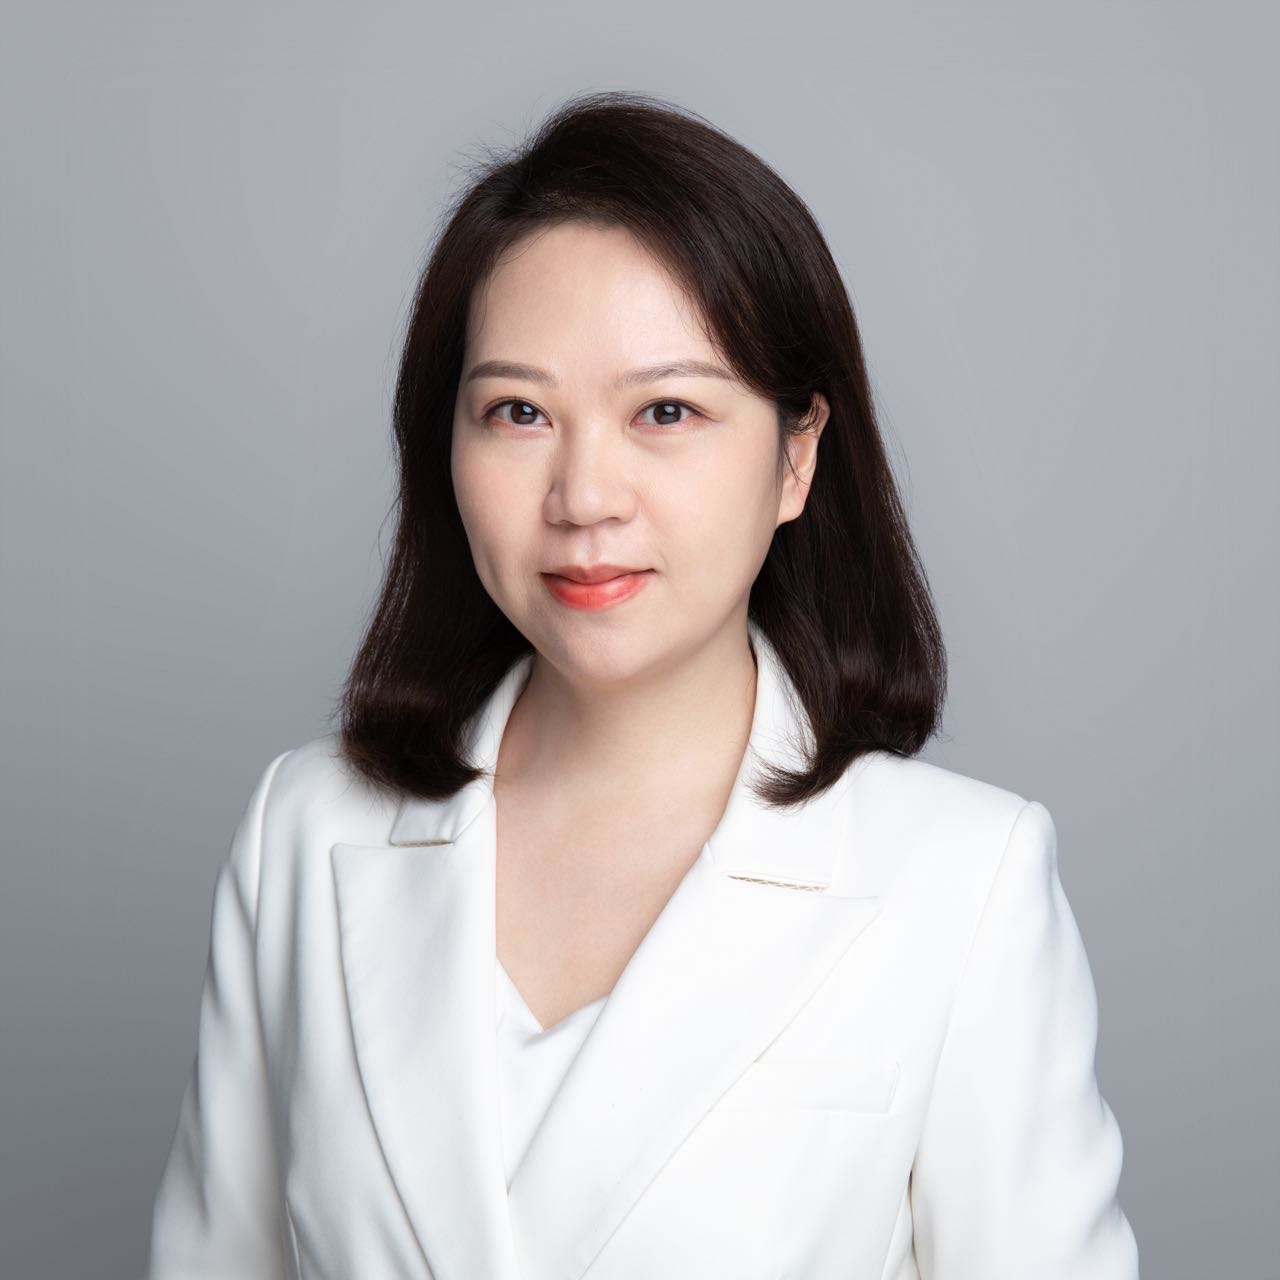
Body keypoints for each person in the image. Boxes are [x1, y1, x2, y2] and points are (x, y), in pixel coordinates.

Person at [145, 90, 1140, 1278]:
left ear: (795, 455)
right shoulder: (302, 832)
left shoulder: (962, 882)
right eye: (517, 411)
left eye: (665, 410)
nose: (583, 496)